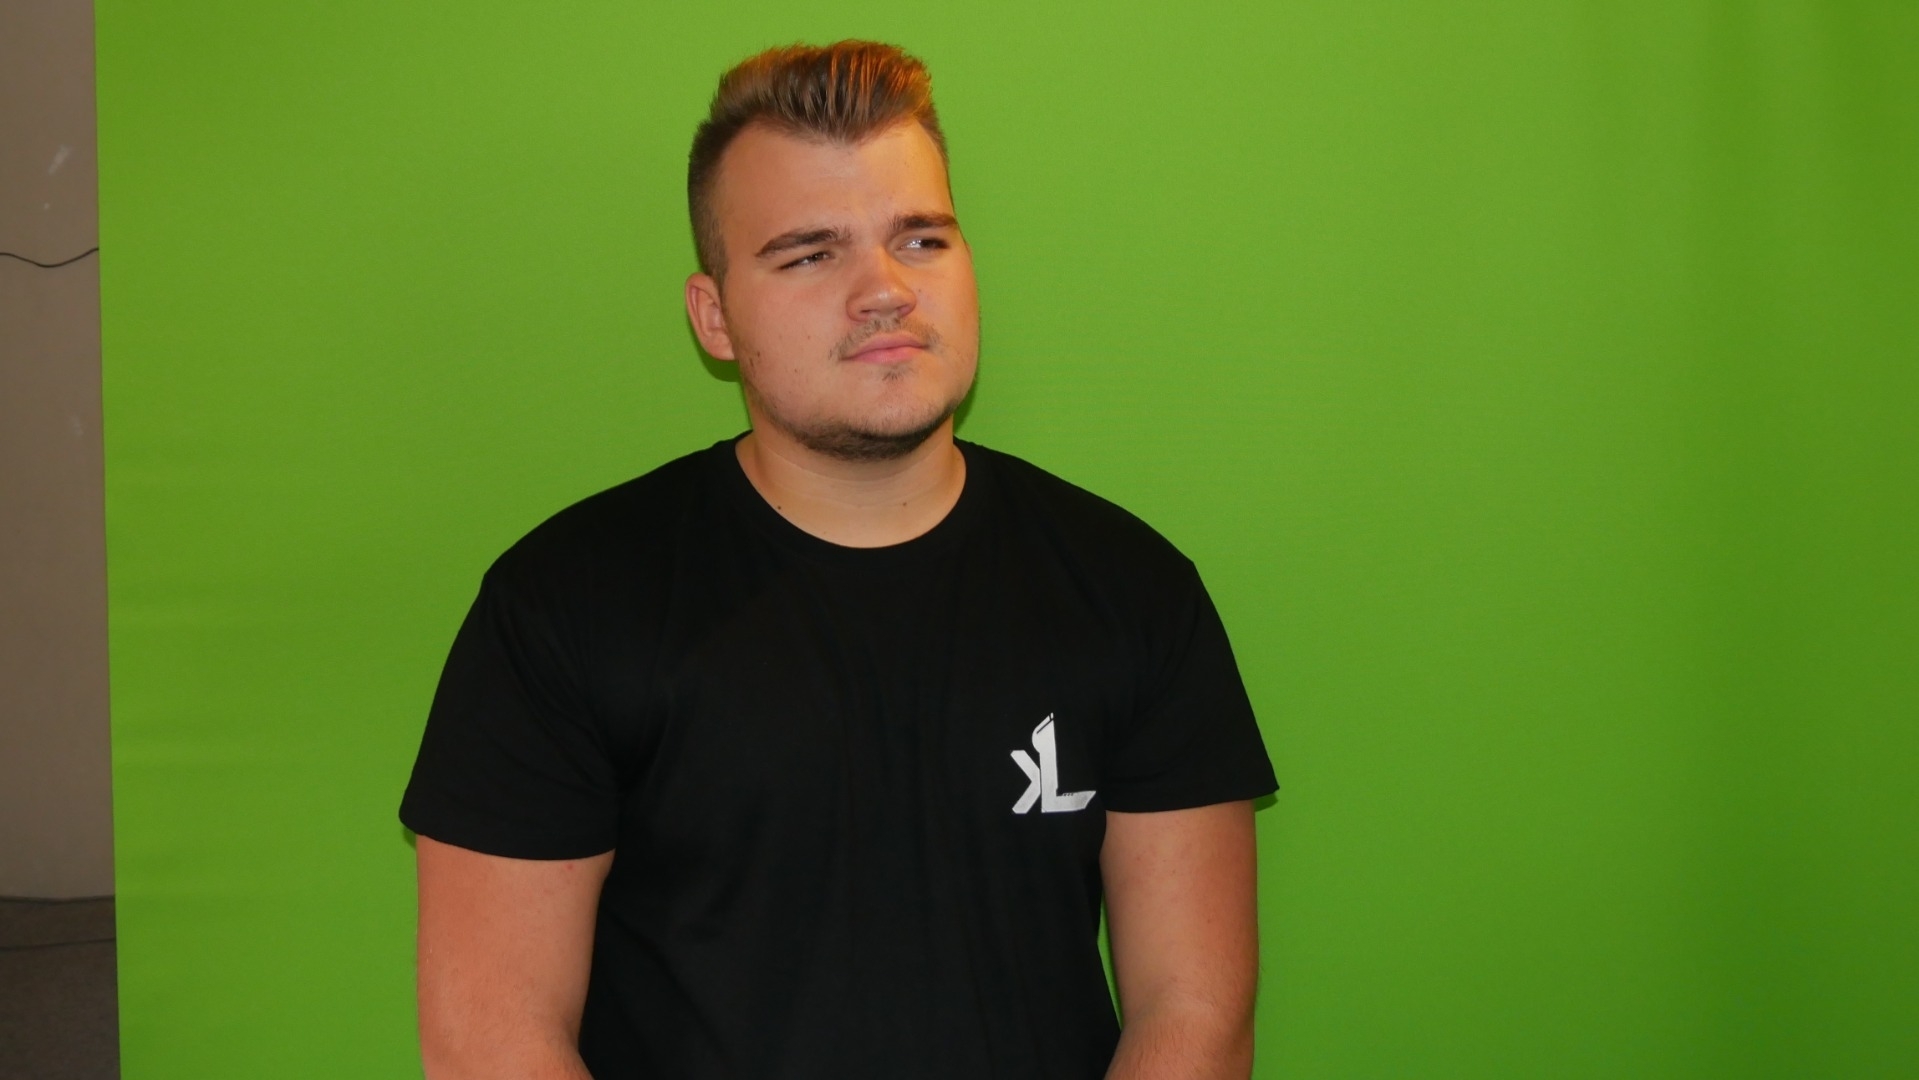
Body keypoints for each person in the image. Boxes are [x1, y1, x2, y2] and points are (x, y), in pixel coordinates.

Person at [400, 40, 1277, 1080]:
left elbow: (1194, 1013)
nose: (884, 290)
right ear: (714, 317)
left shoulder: (1131, 591)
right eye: (810, 254)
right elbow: (489, 1040)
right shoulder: (563, 608)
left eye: (920, 239)